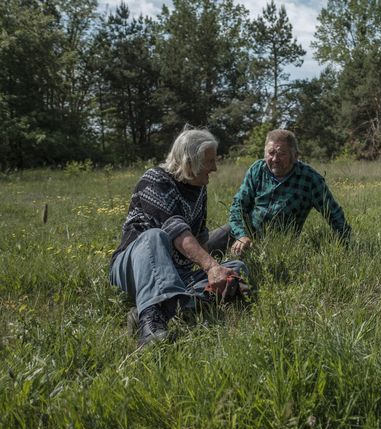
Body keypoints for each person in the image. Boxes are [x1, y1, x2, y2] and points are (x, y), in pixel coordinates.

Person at [109, 128, 247, 347]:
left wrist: (218, 274)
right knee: (154, 237)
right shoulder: (155, 179)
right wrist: (211, 267)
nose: (215, 168)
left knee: (236, 267)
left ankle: (160, 307)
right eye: (209, 161)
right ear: (189, 161)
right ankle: (151, 329)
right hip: (134, 267)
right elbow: (176, 229)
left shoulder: (199, 188)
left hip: (175, 274)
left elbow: (200, 236)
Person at [208, 129, 351, 256]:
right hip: (245, 233)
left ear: (295, 156)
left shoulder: (310, 179)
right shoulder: (257, 169)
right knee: (204, 246)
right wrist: (241, 235)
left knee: (237, 270)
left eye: (282, 154)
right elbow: (238, 206)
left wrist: (346, 248)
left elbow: (334, 214)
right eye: (271, 153)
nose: (275, 159)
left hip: (278, 245)